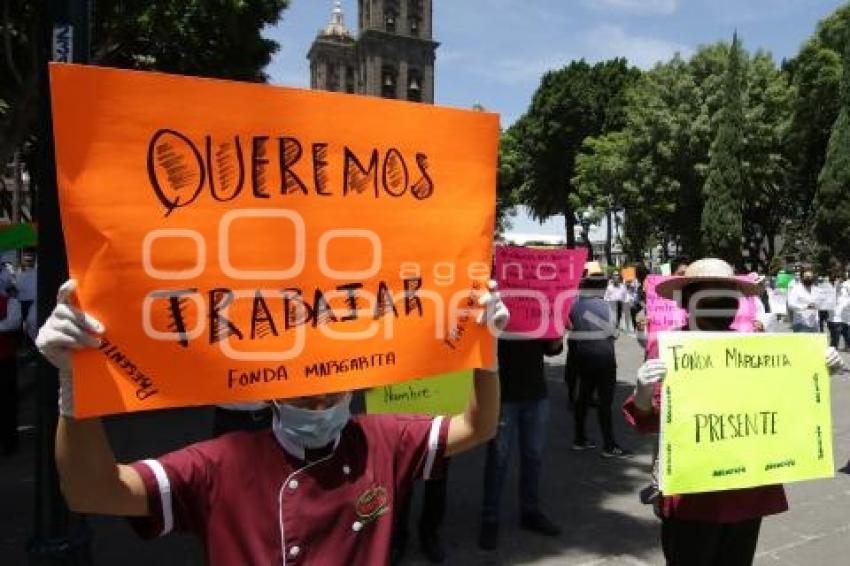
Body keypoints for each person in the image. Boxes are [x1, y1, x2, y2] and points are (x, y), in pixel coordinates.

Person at [37, 279, 509, 565]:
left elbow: (479, 425)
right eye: (305, 388)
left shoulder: (382, 440)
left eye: (333, 384)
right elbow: (91, 491)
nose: (321, 401)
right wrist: (75, 388)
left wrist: (484, 349)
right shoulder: (218, 466)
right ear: (269, 387)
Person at [623, 258, 844, 566]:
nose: (718, 304)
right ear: (689, 301)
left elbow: (785, 399)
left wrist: (820, 370)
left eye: (726, 296)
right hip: (692, 494)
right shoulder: (670, 348)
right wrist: (644, 391)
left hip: (747, 491)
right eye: (707, 296)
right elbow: (648, 420)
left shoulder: (757, 347)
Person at [478, 335, 564, 550]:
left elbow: (552, 349)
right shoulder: (494, 304)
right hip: (502, 394)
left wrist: (558, 333)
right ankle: (490, 518)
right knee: (498, 458)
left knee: (533, 456)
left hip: (536, 394)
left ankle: (530, 512)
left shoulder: (537, 306)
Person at [570, 262, 630, 457]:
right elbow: (614, 333)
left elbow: (567, 325)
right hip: (604, 356)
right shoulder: (607, 306)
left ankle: (579, 439)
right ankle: (609, 445)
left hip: (582, 354)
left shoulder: (574, 303)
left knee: (583, 397)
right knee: (605, 402)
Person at [0, 284, 22, 455]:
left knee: (7, 403)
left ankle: (9, 442)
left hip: (4, 361)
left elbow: (12, 324)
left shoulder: (11, 303)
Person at [787, 267, 820, 333]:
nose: (808, 278)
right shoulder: (796, 289)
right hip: (801, 323)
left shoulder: (816, 290)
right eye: (806, 277)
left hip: (814, 324)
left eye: (810, 277)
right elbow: (790, 304)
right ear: (802, 277)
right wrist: (805, 307)